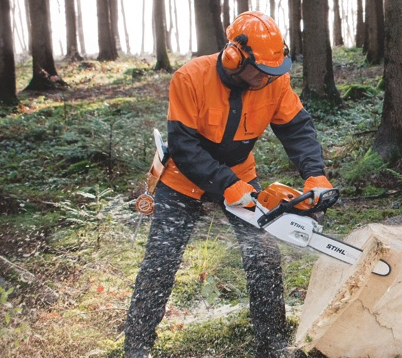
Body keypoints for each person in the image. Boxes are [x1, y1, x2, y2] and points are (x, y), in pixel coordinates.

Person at [123, 11, 329, 358]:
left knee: (263, 256)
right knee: (161, 261)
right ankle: (137, 348)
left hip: (241, 176)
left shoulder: (274, 81)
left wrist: (315, 173)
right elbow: (184, 148)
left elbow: (297, 129)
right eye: (260, 70)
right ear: (234, 56)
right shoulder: (190, 78)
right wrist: (226, 184)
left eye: (272, 71)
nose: (266, 78)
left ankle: (272, 343)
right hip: (181, 180)